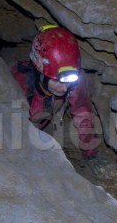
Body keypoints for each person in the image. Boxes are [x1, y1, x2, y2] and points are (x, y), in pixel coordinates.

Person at [10, 25, 99, 158]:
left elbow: (83, 112)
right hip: (20, 130)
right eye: (57, 81)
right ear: (40, 73)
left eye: (68, 81)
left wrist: (89, 147)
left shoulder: (74, 81)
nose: (64, 88)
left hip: (47, 119)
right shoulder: (19, 83)